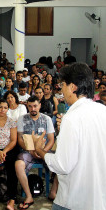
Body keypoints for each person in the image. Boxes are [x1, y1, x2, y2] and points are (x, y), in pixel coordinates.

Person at [33, 63, 106, 210]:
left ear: (73, 87)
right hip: (99, 196)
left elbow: (62, 165)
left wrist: (39, 149)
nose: (62, 90)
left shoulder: (71, 118)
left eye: (63, 85)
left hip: (74, 199)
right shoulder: (102, 110)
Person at [15, 95, 54, 209]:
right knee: (18, 164)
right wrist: (31, 151)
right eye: (30, 106)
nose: (33, 109)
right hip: (28, 151)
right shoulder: (22, 119)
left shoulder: (46, 119)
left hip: (44, 150)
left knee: (61, 162)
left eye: (35, 106)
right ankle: (28, 196)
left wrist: (42, 151)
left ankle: (53, 191)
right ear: (27, 106)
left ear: (40, 106)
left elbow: (51, 139)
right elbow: (20, 138)